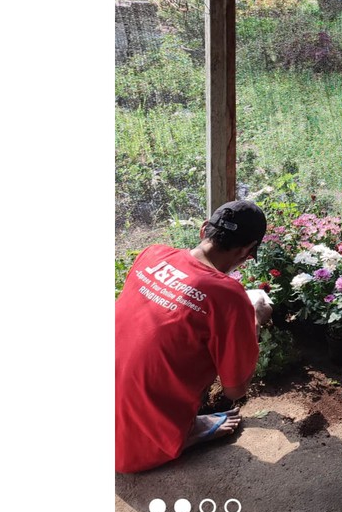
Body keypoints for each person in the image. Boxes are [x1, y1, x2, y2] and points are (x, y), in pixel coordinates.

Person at [115, 199, 269, 474]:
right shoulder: (229, 297)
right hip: (128, 450)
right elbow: (235, 390)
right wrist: (254, 319)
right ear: (247, 251)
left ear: (203, 230)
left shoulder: (153, 254)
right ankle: (181, 433)